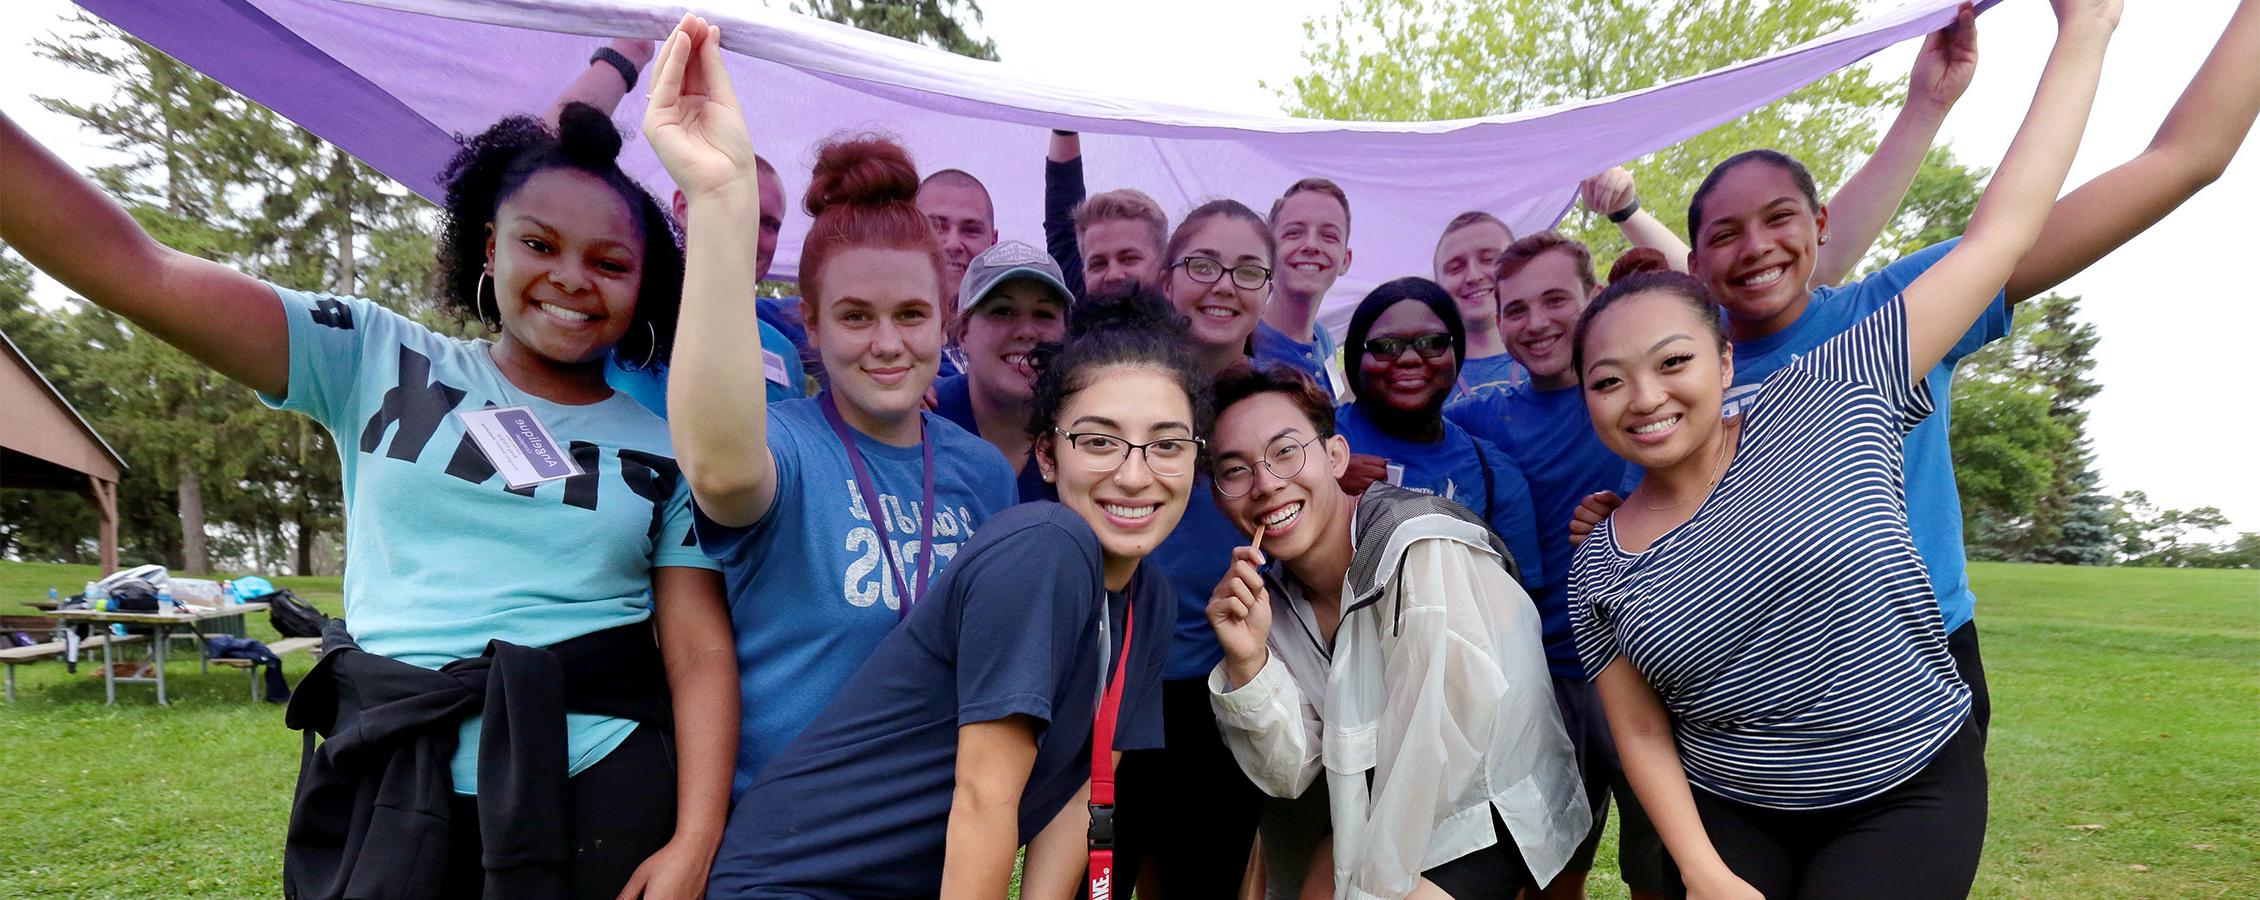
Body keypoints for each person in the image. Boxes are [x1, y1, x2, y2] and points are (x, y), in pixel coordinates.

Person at [4, 95, 739, 896]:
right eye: (540, 244)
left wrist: (694, 842)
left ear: (645, 282)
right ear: (490, 250)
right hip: (385, 780)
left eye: (610, 262)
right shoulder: (369, 354)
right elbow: (137, 269)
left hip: (598, 793)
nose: (572, 278)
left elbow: (698, 653)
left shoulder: (671, 441)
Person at [1577, 0, 2260, 745]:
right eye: (1725, 235)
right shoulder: (1671, 382)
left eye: (1781, 219)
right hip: (1738, 688)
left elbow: (2187, 157)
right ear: (1697, 263)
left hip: (1911, 669)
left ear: (1821, 225)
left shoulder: (1897, 319)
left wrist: (2086, 30)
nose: (1756, 248)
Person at [1570, 4, 2117, 894]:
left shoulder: (1839, 388)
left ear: (1722, 360)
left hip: (1905, 769)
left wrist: (2084, 34)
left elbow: (2001, 233)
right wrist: (1703, 873)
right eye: (1607, 382)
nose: (1646, 398)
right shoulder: (1599, 563)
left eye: (1673, 363)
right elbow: (1637, 729)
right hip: (1733, 794)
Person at [706, 291, 1199, 899]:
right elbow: (982, 799)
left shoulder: (1151, 600)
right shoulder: (1045, 545)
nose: (1134, 473)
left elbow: (1082, 800)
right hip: (801, 884)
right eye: (1099, 441)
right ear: (1046, 455)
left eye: (1168, 445)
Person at [643, 19, 1019, 798]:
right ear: (809, 323)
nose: (887, 344)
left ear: (946, 319)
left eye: (911, 315)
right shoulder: (778, 449)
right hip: (784, 846)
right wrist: (721, 201)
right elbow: (716, 466)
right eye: (854, 316)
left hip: (925, 841)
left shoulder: (984, 474)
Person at [1204, 365, 1590, 900]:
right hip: (1372, 805)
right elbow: (1288, 773)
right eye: (1236, 470)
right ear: (1219, 497)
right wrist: (1249, 663)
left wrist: (1356, 888)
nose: (1267, 483)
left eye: (1286, 451)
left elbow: (1437, 761)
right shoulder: (1272, 601)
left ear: (1335, 456)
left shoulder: (1418, 547)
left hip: (1485, 804)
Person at [1449, 233, 1672, 900]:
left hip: (1649, 669)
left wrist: (1634, 515)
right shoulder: (1482, 417)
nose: (1537, 322)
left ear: (1594, 298)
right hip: (1539, 680)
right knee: (1546, 868)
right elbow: (1396, 428)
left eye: (1555, 300)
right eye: (1516, 308)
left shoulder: (1647, 401)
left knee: (1664, 862)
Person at [1109, 198, 1279, 897]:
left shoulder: (1278, 401)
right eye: (1204, 264)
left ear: (1268, 290)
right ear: (1166, 276)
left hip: (1220, 695)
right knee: (1091, 879)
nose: (1224, 284)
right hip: (1114, 686)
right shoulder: (1120, 382)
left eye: (1247, 270)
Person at [543, 36, 809, 407]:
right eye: (735, 209)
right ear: (683, 208)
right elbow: (542, 178)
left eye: (769, 224)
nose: (750, 233)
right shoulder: (624, 304)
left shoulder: (784, 351)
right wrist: (625, 57)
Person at [1333, 278, 1546, 598]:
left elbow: (1519, 602)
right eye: (1385, 346)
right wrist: (1322, 478)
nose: (1408, 359)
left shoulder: (1494, 474)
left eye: (1432, 342)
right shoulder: (1310, 440)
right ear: (1355, 359)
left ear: (1455, 355)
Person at [930, 240, 1076, 501]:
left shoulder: (1084, 432)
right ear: (963, 333)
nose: (1026, 331)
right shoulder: (921, 417)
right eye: (1003, 311)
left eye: (1043, 313)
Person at [1257, 178, 1355, 400]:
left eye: (1329, 236)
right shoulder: (1244, 345)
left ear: (1345, 261)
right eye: (1294, 233)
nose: (1311, 245)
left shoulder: (1324, 339)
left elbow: (1336, 402)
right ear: (1268, 250)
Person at [1044, 130, 1171, 299]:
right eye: (1098, 264)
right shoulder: (1080, 301)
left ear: (1165, 268)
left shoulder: (1193, 319)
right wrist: (1064, 118)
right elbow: (1061, 217)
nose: (1113, 275)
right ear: (1084, 276)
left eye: (1129, 258)